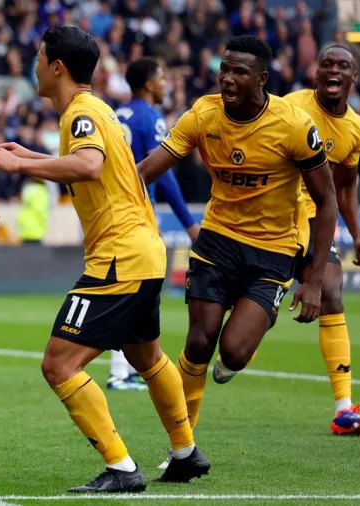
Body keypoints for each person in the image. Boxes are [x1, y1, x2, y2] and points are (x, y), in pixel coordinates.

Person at [0, 25, 209, 493]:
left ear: (57, 67)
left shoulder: (79, 114)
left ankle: (122, 468)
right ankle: (185, 452)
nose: (35, 64)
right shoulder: (96, 111)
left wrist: (21, 165)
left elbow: (88, 165)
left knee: (59, 364)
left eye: (40, 56)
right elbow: (94, 167)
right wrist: (31, 153)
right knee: (146, 356)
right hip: (145, 252)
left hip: (118, 258)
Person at [137, 35, 338, 468]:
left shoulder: (293, 124)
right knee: (198, 339)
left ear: (261, 79)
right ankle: (182, 448)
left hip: (273, 251)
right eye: (224, 69)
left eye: (239, 72)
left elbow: (327, 201)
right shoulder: (203, 113)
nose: (227, 78)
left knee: (232, 352)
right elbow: (149, 168)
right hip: (217, 241)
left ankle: (244, 342)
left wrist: (315, 279)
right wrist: (100, 187)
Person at [284, 44, 360, 435]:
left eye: (342, 66)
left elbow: (345, 186)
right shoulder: (291, 107)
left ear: (353, 78)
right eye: (326, 63)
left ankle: (344, 410)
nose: (333, 70)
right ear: (316, 72)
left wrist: (357, 233)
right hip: (273, 212)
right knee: (237, 334)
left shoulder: (355, 128)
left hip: (316, 215)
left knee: (332, 290)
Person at [109, 57, 201, 392]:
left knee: (126, 289)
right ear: (149, 84)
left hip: (112, 212)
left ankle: (124, 369)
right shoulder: (151, 118)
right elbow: (163, 175)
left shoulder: (115, 114)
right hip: (137, 213)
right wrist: (189, 224)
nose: (166, 82)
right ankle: (120, 372)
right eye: (162, 76)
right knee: (137, 292)